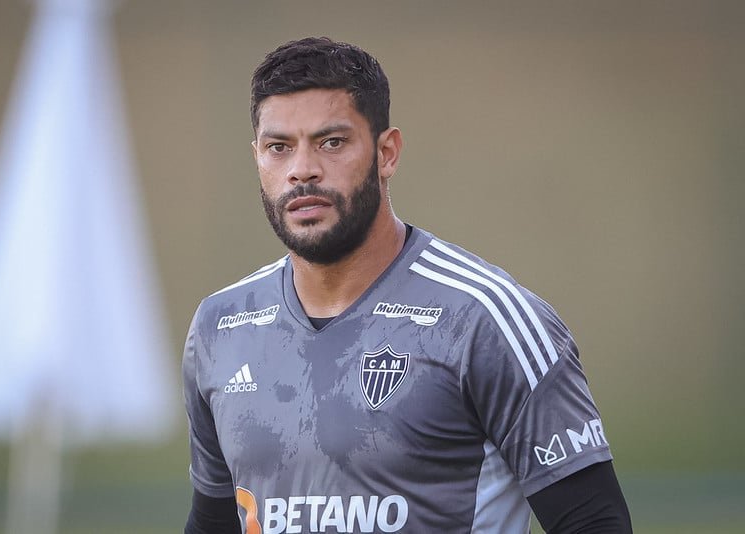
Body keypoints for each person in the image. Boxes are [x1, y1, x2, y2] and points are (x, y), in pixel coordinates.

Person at [182, 37, 632, 533]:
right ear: (257, 157)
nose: (302, 170)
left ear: (387, 153)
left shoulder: (486, 320)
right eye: (278, 148)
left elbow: (594, 521)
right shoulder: (221, 327)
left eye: (331, 143)